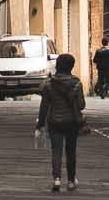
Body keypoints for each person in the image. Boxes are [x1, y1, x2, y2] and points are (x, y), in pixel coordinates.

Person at [37, 52, 87, 191]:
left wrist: (40, 124)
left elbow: (44, 106)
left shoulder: (48, 84)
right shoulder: (76, 83)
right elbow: (81, 105)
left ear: (58, 66)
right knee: (71, 151)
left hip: (54, 121)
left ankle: (57, 179)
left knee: (56, 151)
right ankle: (71, 181)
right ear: (71, 67)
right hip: (72, 122)